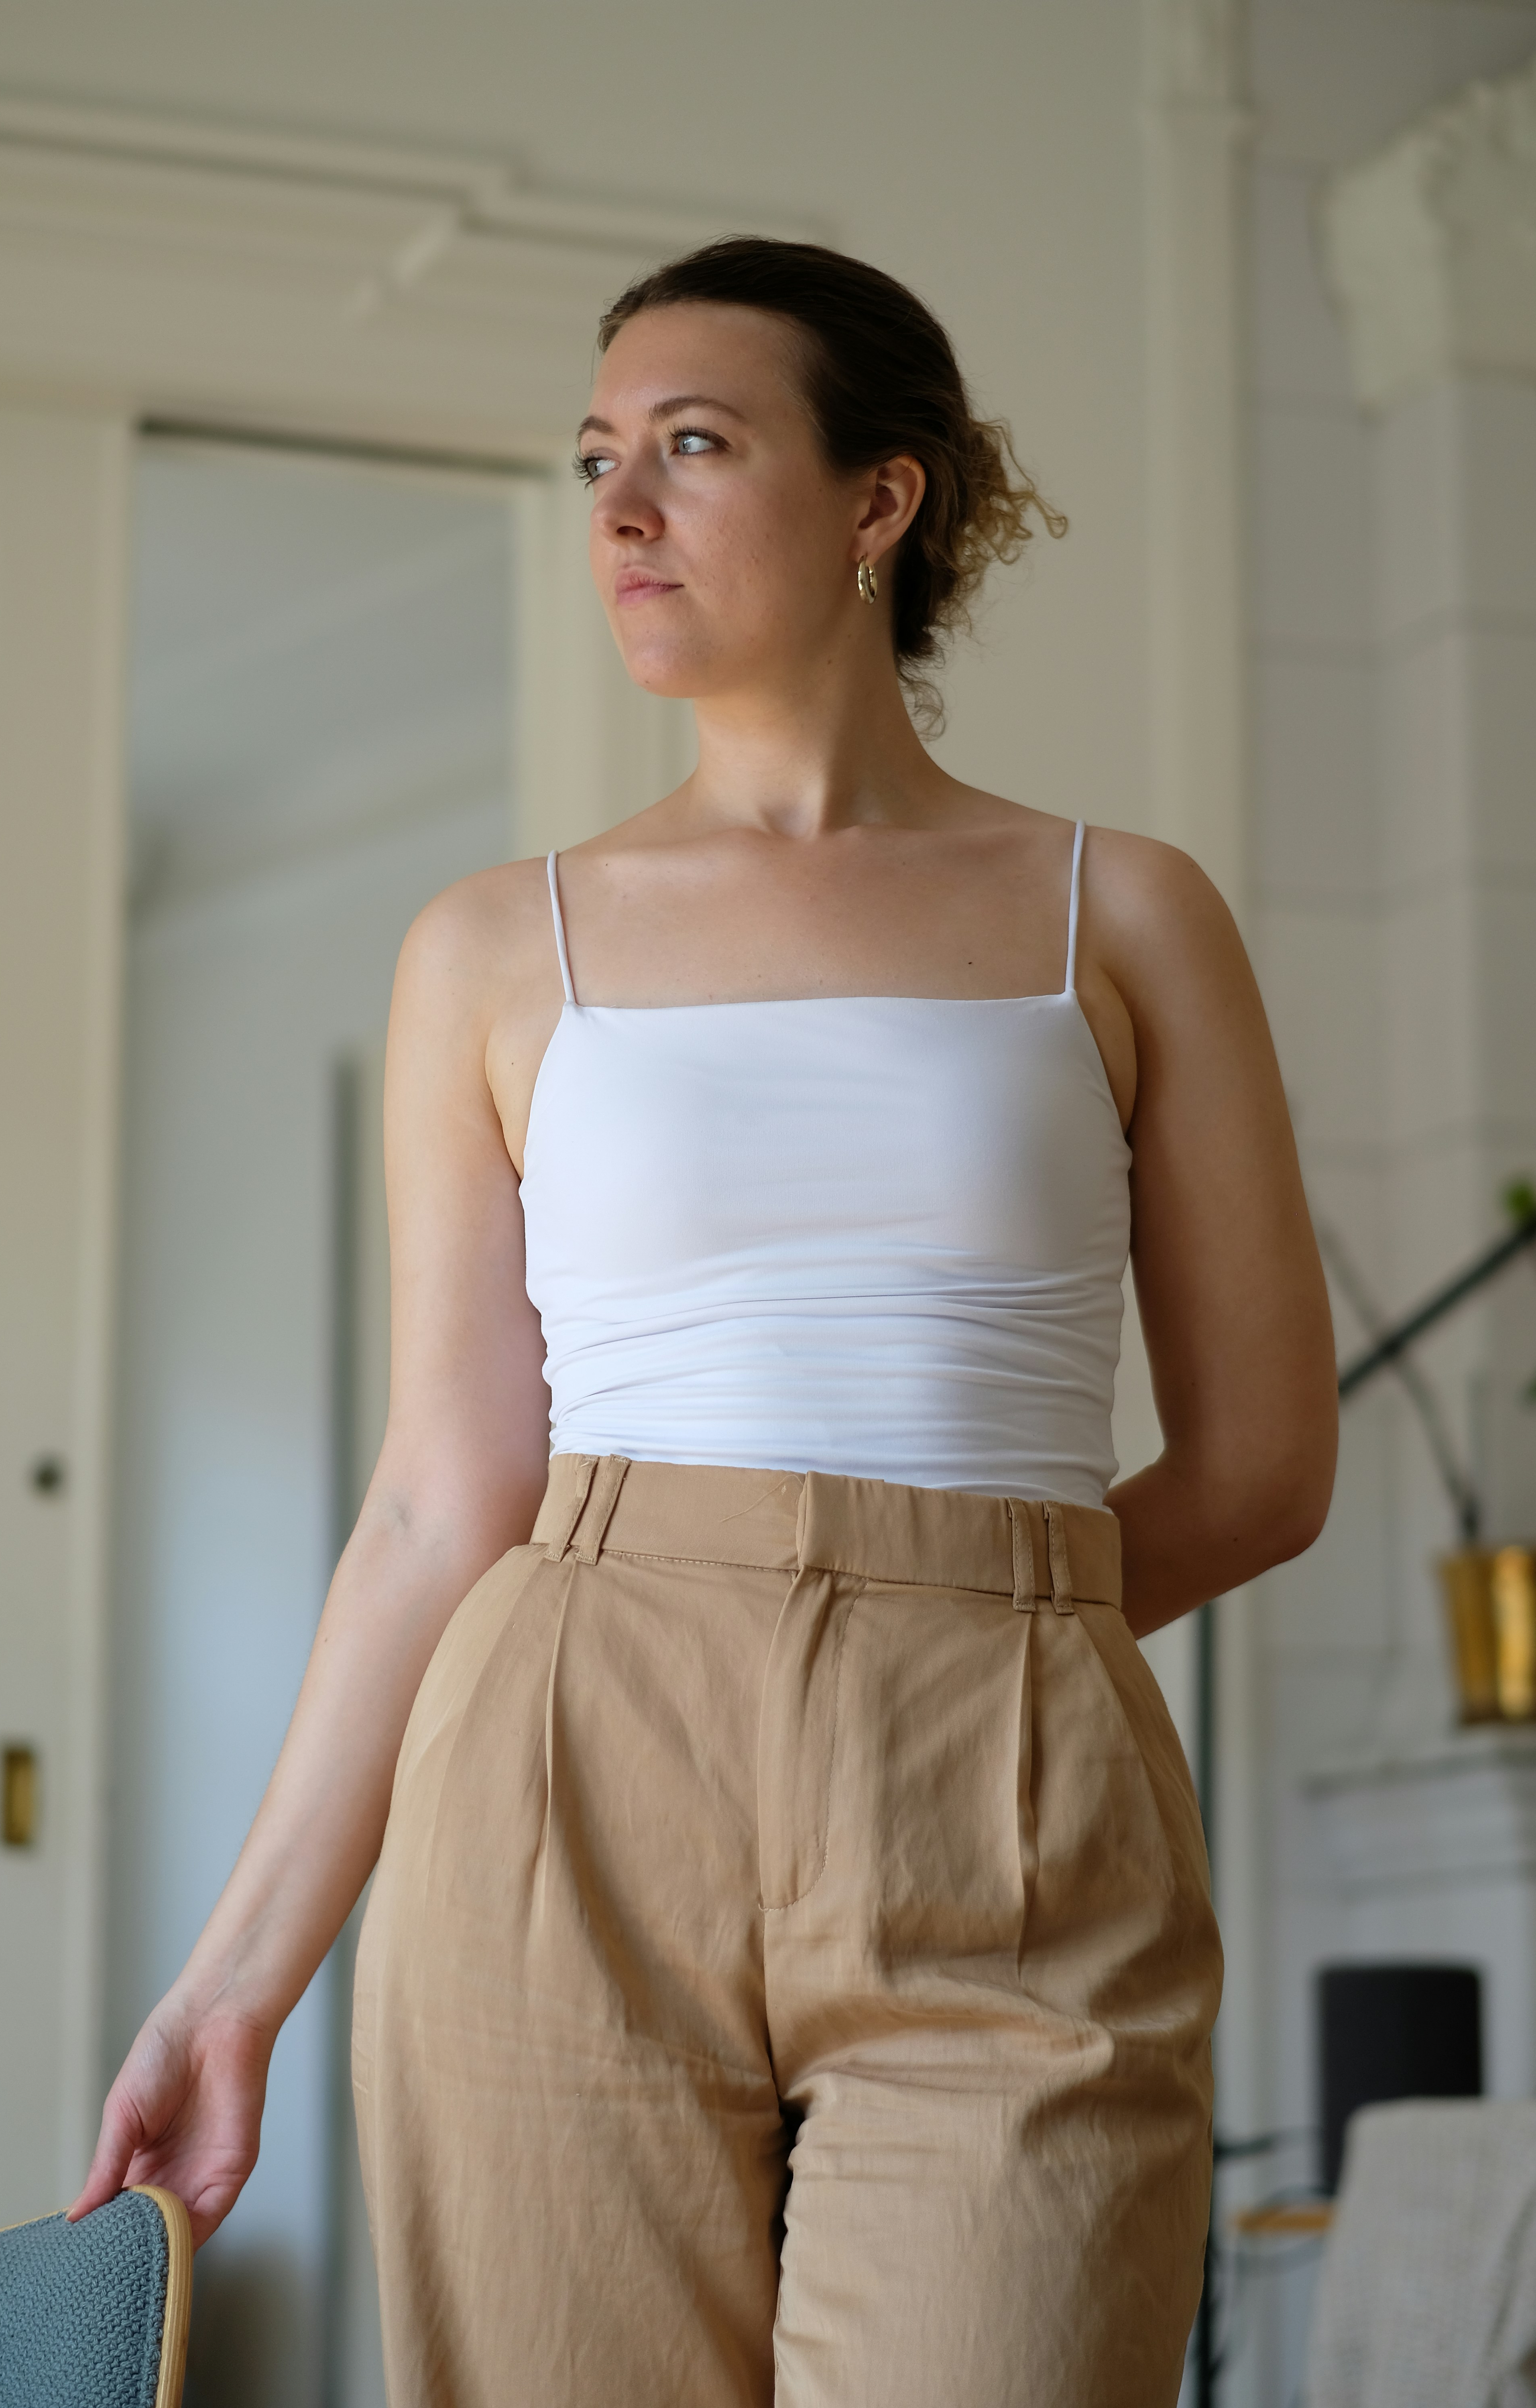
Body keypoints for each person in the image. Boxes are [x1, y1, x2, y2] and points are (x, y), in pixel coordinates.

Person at [73, 237, 1337, 2406]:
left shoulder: (1120, 912)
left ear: (883, 500)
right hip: (570, 1739)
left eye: (693, 444)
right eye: (595, 461)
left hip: (1012, 1758)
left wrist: (973, 1636)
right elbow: (437, 1500)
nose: (622, 514)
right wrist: (230, 1987)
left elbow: (1262, 1465)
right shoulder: (492, 947)